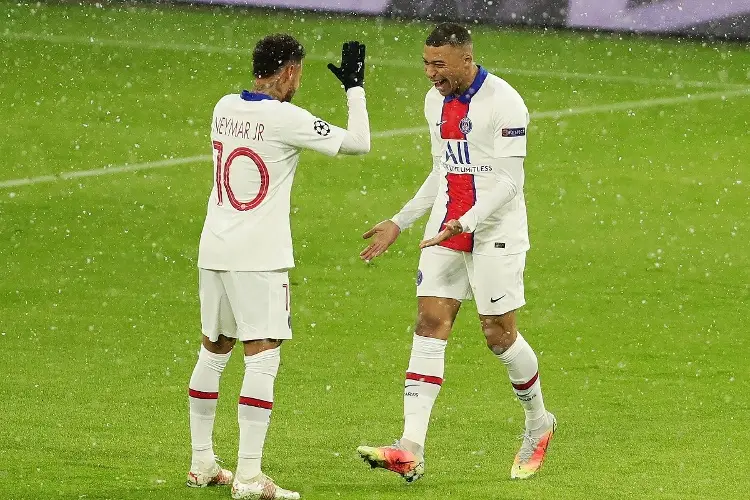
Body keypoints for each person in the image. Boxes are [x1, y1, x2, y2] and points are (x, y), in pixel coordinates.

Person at [356, 23, 555, 482]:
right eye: (426, 63)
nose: (430, 73)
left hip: (494, 231)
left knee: (498, 336)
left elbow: (509, 182)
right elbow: (442, 169)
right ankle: (410, 449)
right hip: (445, 227)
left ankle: (538, 422)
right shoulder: (434, 102)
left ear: (467, 59)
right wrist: (399, 221)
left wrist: (465, 222)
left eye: (439, 64)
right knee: (430, 323)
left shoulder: (505, 103)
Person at [186, 34, 369, 500]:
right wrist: (355, 88)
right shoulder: (286, 117)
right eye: (299, 73)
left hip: (215, 247)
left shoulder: (224, 106)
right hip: (259, 257)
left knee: (214, 350)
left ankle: (202, 462)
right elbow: (359, 144)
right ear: (289, 71)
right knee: (262, 359)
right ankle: (248, 477)